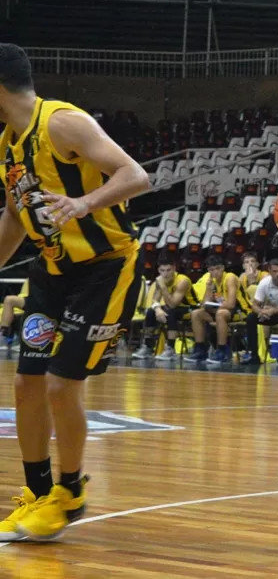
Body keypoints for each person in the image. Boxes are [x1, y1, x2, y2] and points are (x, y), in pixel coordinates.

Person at [0, 43, 149, 540]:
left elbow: (136, 175)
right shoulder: (7, 145)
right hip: (52, 271)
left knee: (62, 385)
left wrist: (85, 203)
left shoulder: (62, 122)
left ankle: (70, 493)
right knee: (27, 384)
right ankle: (38, 494)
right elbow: (14, 217)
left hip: (106, 268)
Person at [132, 255, 198, 360]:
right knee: (151, 311)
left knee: (170, 311)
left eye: (168, 270)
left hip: (191, 308)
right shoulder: (161, 280)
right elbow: (155, 300)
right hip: (173, 308)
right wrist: (157, 309)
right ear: (158, 270)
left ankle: (171, 348)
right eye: (162, 271)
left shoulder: (182, 281)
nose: (165, 274)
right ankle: (148, 346)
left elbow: (173, 304)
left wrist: (163, 286)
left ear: (174, 268)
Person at [185, 255, 242, 365]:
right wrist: (208, 287)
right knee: (196, 313)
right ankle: (200, 349)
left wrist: (215, 307)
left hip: (240, 311)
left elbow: (231, 304)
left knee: (220, 313)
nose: (215, 272)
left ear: (223, 268)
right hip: (221, 311)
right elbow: (204, 304)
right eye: (211, 270)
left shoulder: (230, 278)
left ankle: (222, 350)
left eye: (217, 269)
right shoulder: (213, 281)